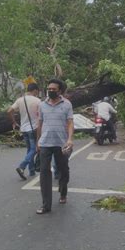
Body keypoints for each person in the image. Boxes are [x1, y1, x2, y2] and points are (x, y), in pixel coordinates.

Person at [36, 78, 74, 214]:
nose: (51, 91)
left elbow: (70, 123)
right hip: (45, 143)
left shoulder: (67, 104)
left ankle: (63, 192)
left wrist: (70, 139)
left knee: (63, 170)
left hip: (62, 144)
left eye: (54, 89)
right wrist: (38, 141)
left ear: (60, 91)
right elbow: (39, 124)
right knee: (44, 172)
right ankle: (46, 205)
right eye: (49, 89)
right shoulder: (42, 105)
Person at [8, 83, 40, 180]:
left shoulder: (20, 100)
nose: (37, 93)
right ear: (35, 90)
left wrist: (14, 122)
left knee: (29, 149)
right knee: (34, 149)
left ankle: (31, 171)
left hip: (24, 128)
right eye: (37, 91)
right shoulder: (38, 101)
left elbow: (9, 111)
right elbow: (40, 116)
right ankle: (22, 166)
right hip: (33, 128)